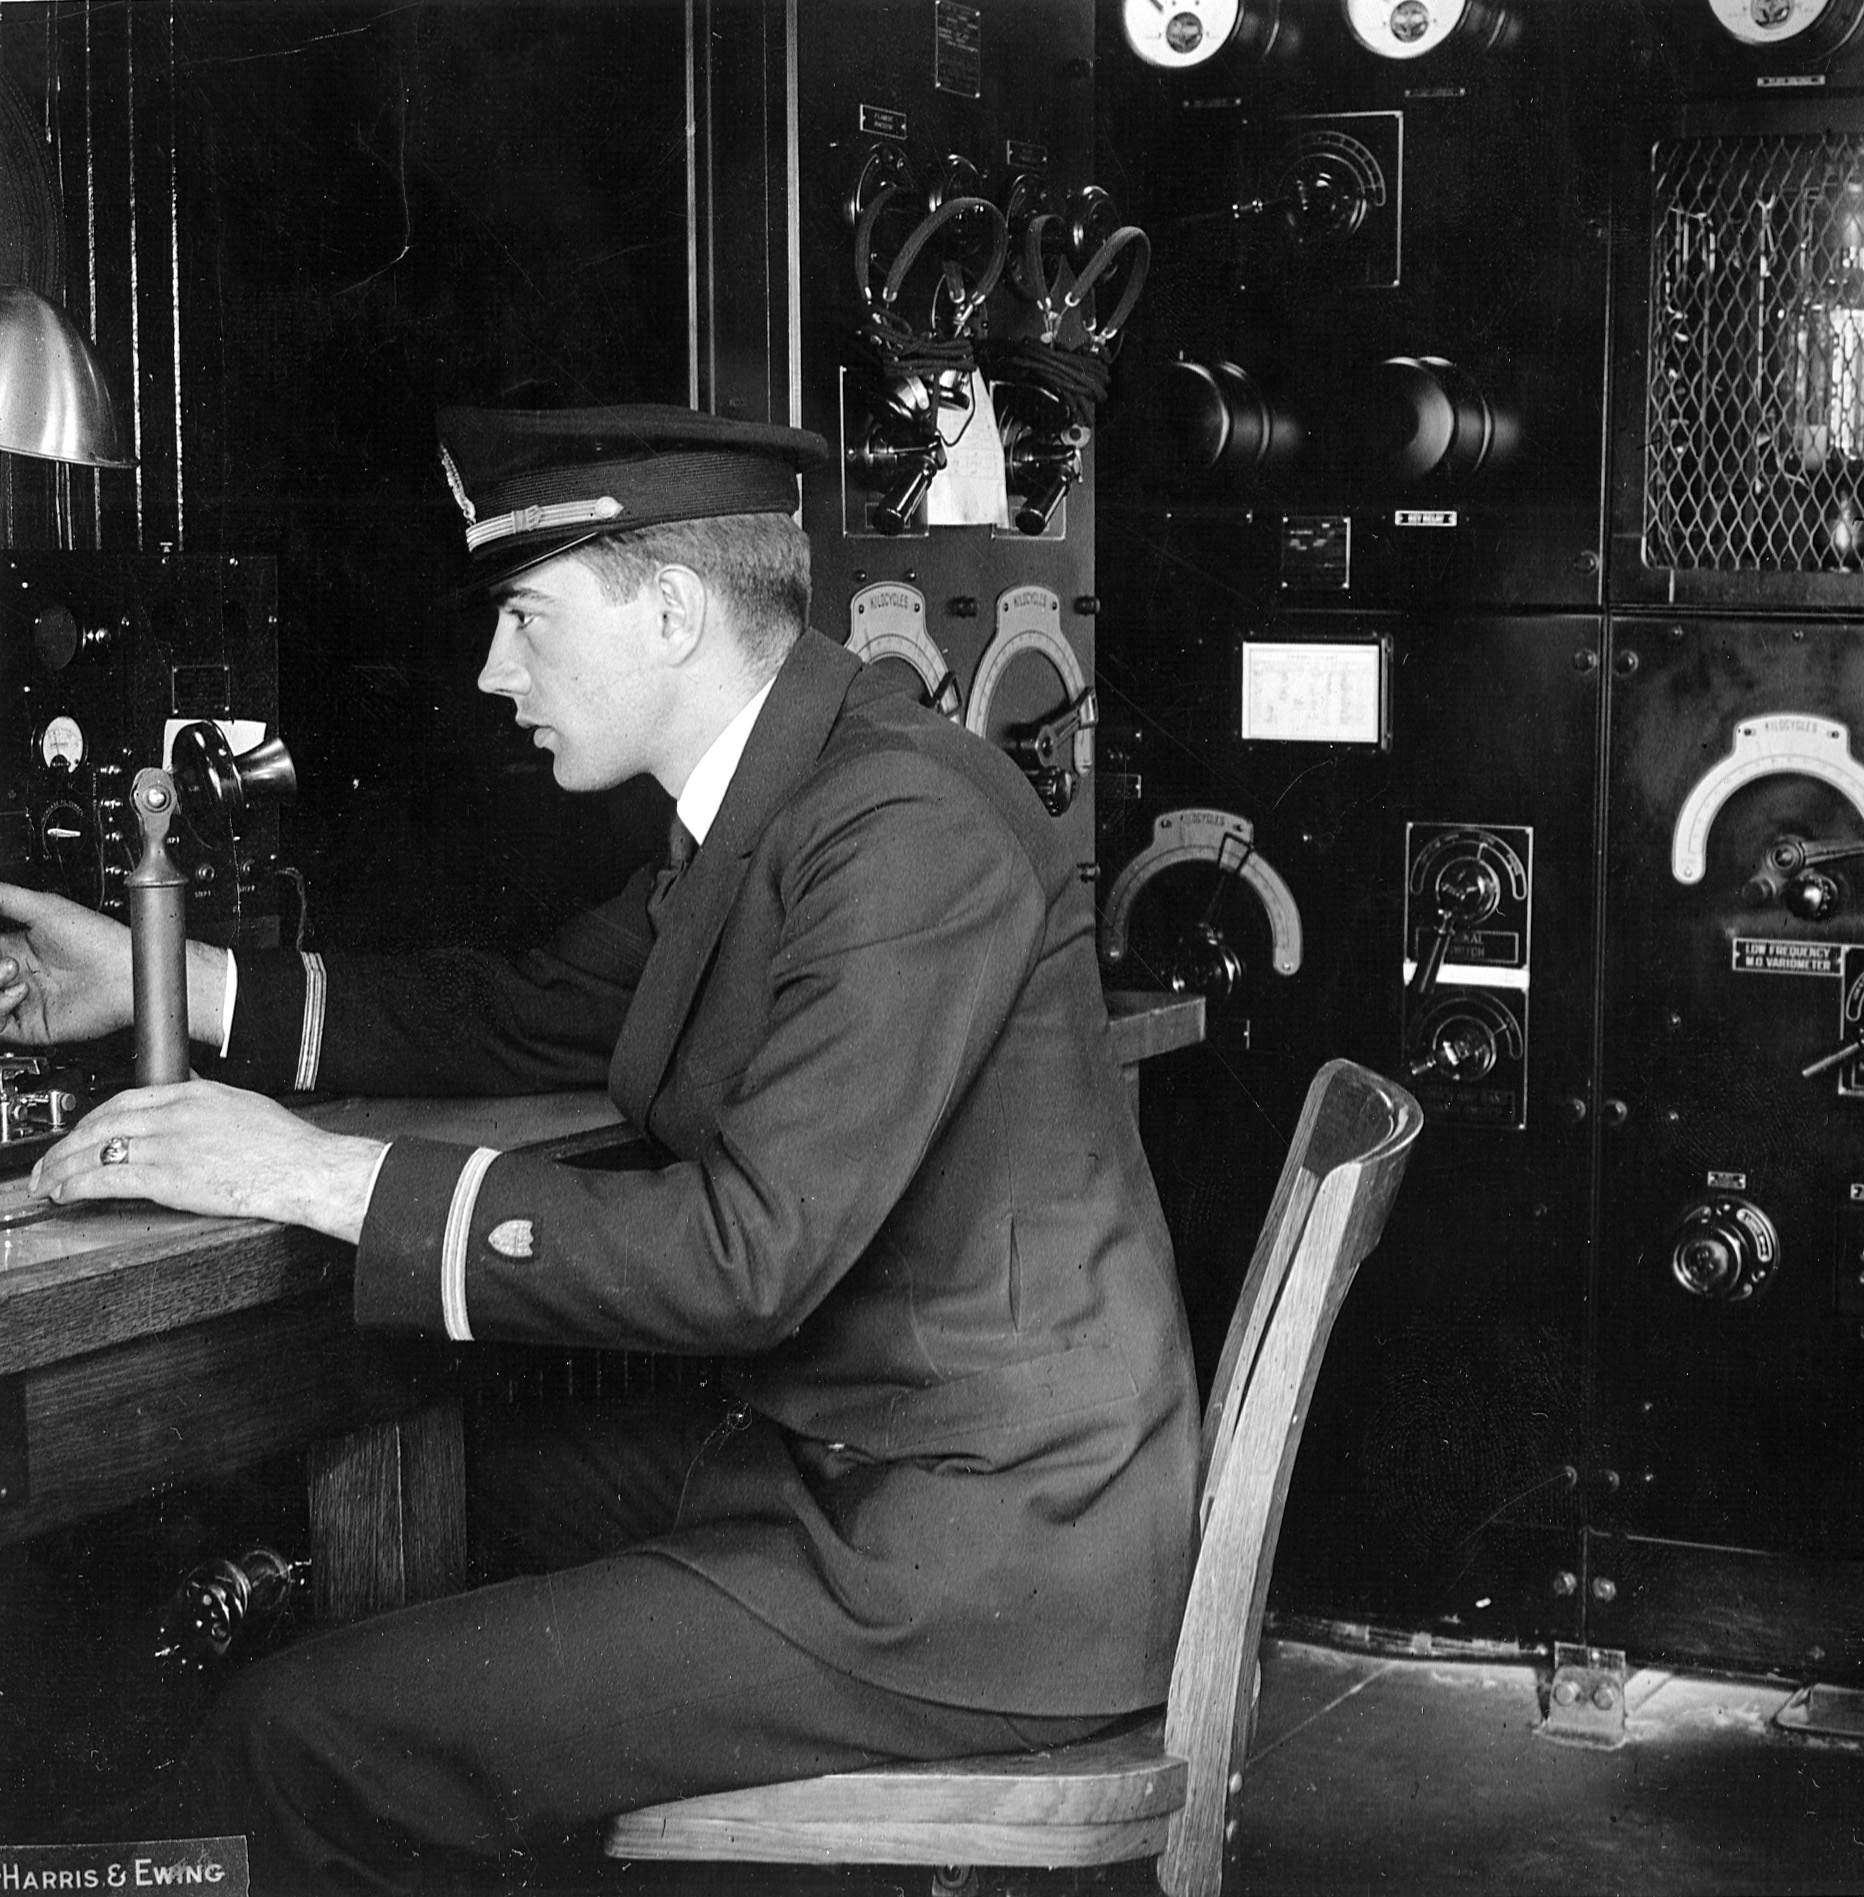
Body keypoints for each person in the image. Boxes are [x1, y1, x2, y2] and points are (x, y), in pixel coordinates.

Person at [0, 404, 1199, 1889]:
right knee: (435, 1513)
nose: (494, 671)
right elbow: (520, 1018)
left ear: (674, 611)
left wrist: (299, 1173)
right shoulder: (783, 799)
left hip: (969, 1558)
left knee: (308, 1726)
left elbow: (743, 1256)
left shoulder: (898, 827)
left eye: (521, 615)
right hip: (878, 1467)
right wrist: (162, 978)